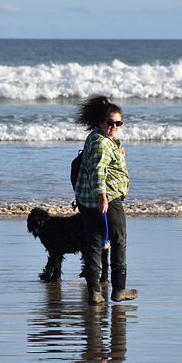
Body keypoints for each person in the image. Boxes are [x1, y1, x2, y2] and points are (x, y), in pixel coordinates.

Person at [75, 95, 139, 305]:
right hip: (107, 199)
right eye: (110, 122)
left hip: (86, 200)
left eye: (118, 123)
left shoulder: (97, 138)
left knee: (93, 243)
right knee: (119, 241)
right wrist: (103, 198)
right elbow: (98, 172)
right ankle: (119, 289)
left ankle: (94, 293)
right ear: (101, 122)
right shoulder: (102, 143)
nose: (114, 126)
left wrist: (118, 152)